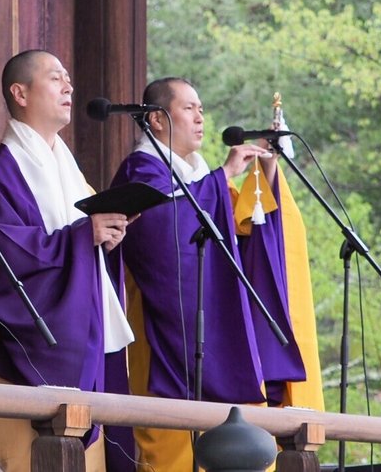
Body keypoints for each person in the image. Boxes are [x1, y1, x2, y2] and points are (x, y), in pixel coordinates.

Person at [110, 77, 305, 472]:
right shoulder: (141, 169)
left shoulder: (196, 175)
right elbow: (165, 233)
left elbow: (242, 232)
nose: (200, 117)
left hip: (212, 336)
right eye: (188, 108)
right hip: (162, 339)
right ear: (157, 120)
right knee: (172, 452)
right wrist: (223, 176)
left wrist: (264, 171)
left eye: (201, 108)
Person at [0, 50, 137, 472]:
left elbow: (77, 241)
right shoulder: (1, 169)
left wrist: (106, 236)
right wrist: (85, 236)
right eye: (55, 78)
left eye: (68, 78)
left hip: (81, 339)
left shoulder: (68, 167)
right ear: (20, 92)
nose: (69, 86)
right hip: (26, 350)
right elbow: (8, 255)